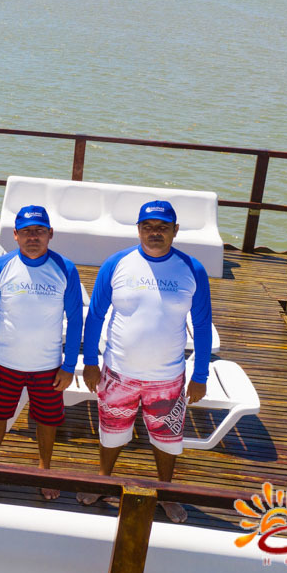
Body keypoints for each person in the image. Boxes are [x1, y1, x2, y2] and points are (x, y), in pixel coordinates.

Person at [75, 200, 212, 523]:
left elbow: (203, 324)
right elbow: (94, 316)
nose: (155, 233)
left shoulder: (192, 269)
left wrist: (200, 374)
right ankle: (103, 480)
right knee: (111, 432)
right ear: (138, 229)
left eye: (163, 227)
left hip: (168, 378)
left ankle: (165, 493)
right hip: (118, 373)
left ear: (175, 231)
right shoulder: (116, 263)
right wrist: (90, 362)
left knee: (167, 439)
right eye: (148, 227)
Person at [0, 205, 81, 500]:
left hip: (48, 366)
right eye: (27, 232)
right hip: (4, 362)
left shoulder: (66, 269)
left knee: (47, 420)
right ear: (15, 235)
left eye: (40, 231)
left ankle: (44, 469)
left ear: (50, 234)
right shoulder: (0, 267)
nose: (34, 237)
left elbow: (76, 319)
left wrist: (69, 366)